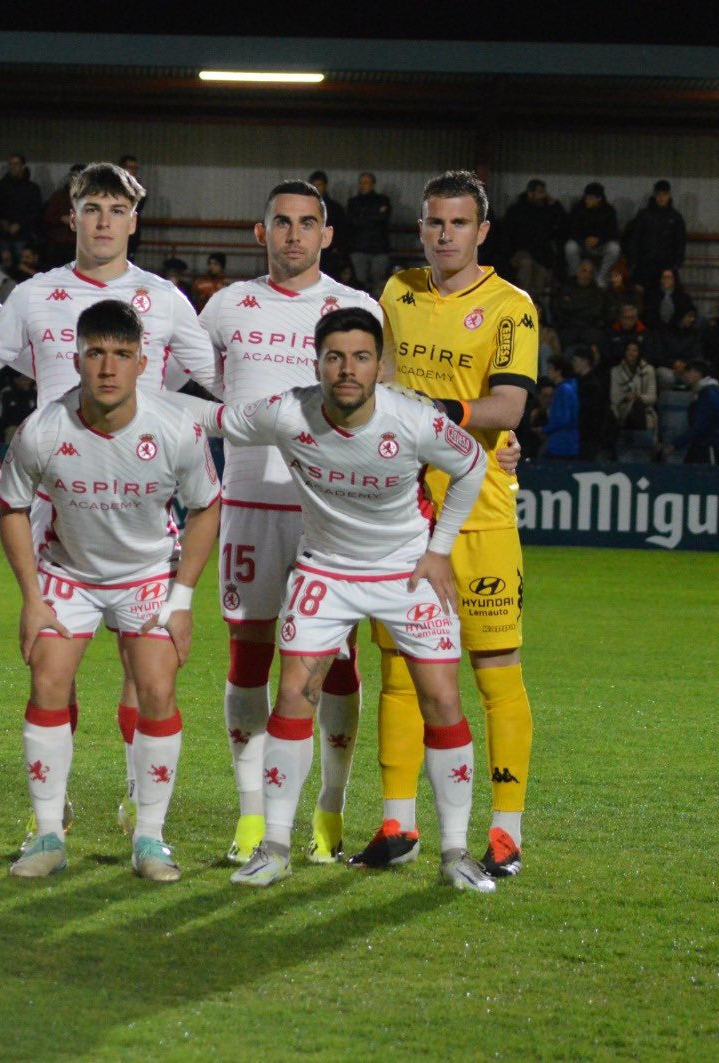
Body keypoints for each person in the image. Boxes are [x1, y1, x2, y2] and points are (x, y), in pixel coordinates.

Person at [0, 161, 218, 830]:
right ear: (71, 216)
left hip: (138, 493)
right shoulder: (35, 294)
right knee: (55, 661)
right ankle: (56, 804)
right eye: (91, 208)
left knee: (145, 666)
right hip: (54, 493)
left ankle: (140, 798)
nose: (103, 221)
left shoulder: (163, 299)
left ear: (134, 220)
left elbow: (215, 377)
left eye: (116, 209)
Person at [209, 306, 495, 893]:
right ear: (317, 363)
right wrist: (138, 403)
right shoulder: (289, 411)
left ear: (380, 364)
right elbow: (215, 419)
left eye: (361, 357)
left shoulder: (412, 418)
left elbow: (472, 463)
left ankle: (456, 854)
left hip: (406, 574)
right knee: (293, 695)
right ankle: (275, 848)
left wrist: (439, 549)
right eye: (335, 357)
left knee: (443, 701)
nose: (348, 369)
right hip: (326, 571)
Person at [0, 299, 221, 882]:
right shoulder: (43, 429)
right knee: (48, 675)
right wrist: (30, 596)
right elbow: (12, 508)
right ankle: (48, 832)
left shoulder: (174, 428)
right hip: (68, 572)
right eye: (96, 353)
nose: (108, 367)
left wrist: (182, 600)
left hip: (147, 572)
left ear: (142, 361)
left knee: (155, 685)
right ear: (75, 358)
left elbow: (206, 507)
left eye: (122, 354)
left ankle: (149, 838)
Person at [197, 179, 381, 866]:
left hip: (329, 511)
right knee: (249, 653)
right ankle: (250, 815)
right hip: (248, 504)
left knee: (336, 658)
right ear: (261, 232)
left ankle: (330, 805)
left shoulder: (354, 307)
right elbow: (208, 393)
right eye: (282, 222)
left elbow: (375, 401)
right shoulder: (227, 307)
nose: (295, 235)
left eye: (308, 223)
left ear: (327, 235)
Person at [368, 170, 537, 880]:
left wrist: (428, 412)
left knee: (495, 672)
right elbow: (375, 381)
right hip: (403, 517)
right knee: (400, 675)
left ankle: (505, 833)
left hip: (483, 516)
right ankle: (397, 824)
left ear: (482, 231)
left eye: (458, 224)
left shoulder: (510, 306)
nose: (444, 235)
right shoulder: (396, 293)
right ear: (422, 229)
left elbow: (507, 410)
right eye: (434, 223)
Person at [500, 179, 566, 305]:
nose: (543, 196)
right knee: (527, 266)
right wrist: (510, 256)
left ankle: (534, 306)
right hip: (521, 253)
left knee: (540, 277)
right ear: (530, 194)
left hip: (542, 256)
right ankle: (525, 305)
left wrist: (556, 205)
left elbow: (562, 226)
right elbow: (507, 235)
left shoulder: (549, 210)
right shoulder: (517, 210)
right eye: (540, 192)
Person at [624, 180, 686, 292]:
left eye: (664, 194)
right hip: (645, 263)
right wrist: (634, 262)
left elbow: (680, 242)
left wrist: (676, 264)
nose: (661, 197)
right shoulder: (644, 215)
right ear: (655, 195)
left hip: (667, 265)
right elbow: (634, 239)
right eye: (659, 194)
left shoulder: (676, 218)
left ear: (669, 195)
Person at [564, 182, 620, 287]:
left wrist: (599, 239)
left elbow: (613, 232)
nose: (588, 200)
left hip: (600, 246)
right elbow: (571, 230)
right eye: (587, 197)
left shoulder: (608, 211)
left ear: (599, 199)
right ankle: (577, 275)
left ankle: (601, 277)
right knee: (570, 247)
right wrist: (584, 239)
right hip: (582, 245)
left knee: (614, 248)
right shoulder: (578, 209)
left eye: (591, 198)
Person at [346, 172, 392, 295]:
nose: (363, 185)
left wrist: (363, 216)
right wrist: (374, 215)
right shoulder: (353, 202)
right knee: (360, 286)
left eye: (366, 182)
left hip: (379, 249)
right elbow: (352, 221)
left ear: (373, 184)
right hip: (359, 249)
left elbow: (383, 218)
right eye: (361, 182)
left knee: (378, 286)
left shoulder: (383, 200)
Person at [0, 153, 42, 268]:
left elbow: (35, 211)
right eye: (10, 164)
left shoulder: (32, 189)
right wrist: (2, 222)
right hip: (3, 235)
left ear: (23, 166)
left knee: (23, 268)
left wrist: (20, 224)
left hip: (23, 236)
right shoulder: (0, 186)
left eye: (16, 164)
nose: (13, 167)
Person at [669, 358, 718, 464]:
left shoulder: (709, 395)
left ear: (697, 373)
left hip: (709, 447)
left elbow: (700, 426)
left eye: (689, 372)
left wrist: (676, 444)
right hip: (701, 445)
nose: (686, 375)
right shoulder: (704, 393)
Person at [610, 338, 658, 443]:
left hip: (643, 408)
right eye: (628, 350)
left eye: (634, 350)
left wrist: (637, 397)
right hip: (622, 407)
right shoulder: (615, 371)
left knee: (637, 407)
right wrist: (626, 397)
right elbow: (614, 397)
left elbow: (652, 397)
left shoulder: (648, 370)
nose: (631, 353)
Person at [540, 358, 580, 459]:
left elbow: (563, 419)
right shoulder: (568, 387)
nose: (547, 371)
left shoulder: (564, 390)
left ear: (558, 371)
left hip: (561, 444)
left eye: (550, 368)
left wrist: (544, 429)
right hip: (565, 443)